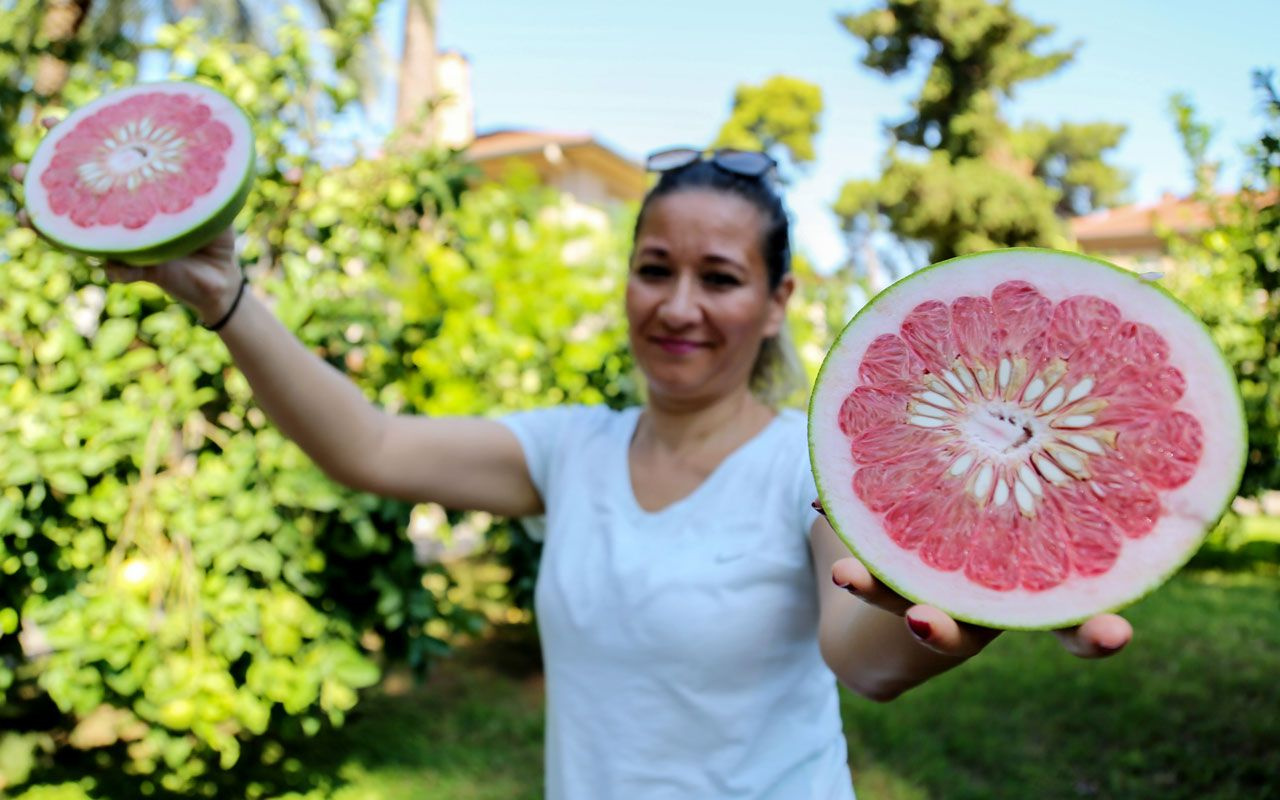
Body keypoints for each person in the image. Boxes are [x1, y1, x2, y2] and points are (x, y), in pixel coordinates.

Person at [13, 140, 1131, 800]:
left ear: (777, 300)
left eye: (720, 275)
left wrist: (974, 605)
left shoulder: (810, 465)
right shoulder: (570, 448)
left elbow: (867, 657)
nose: (679, 305)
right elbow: (366, 443)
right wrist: (224, 298)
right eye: (654, 267)